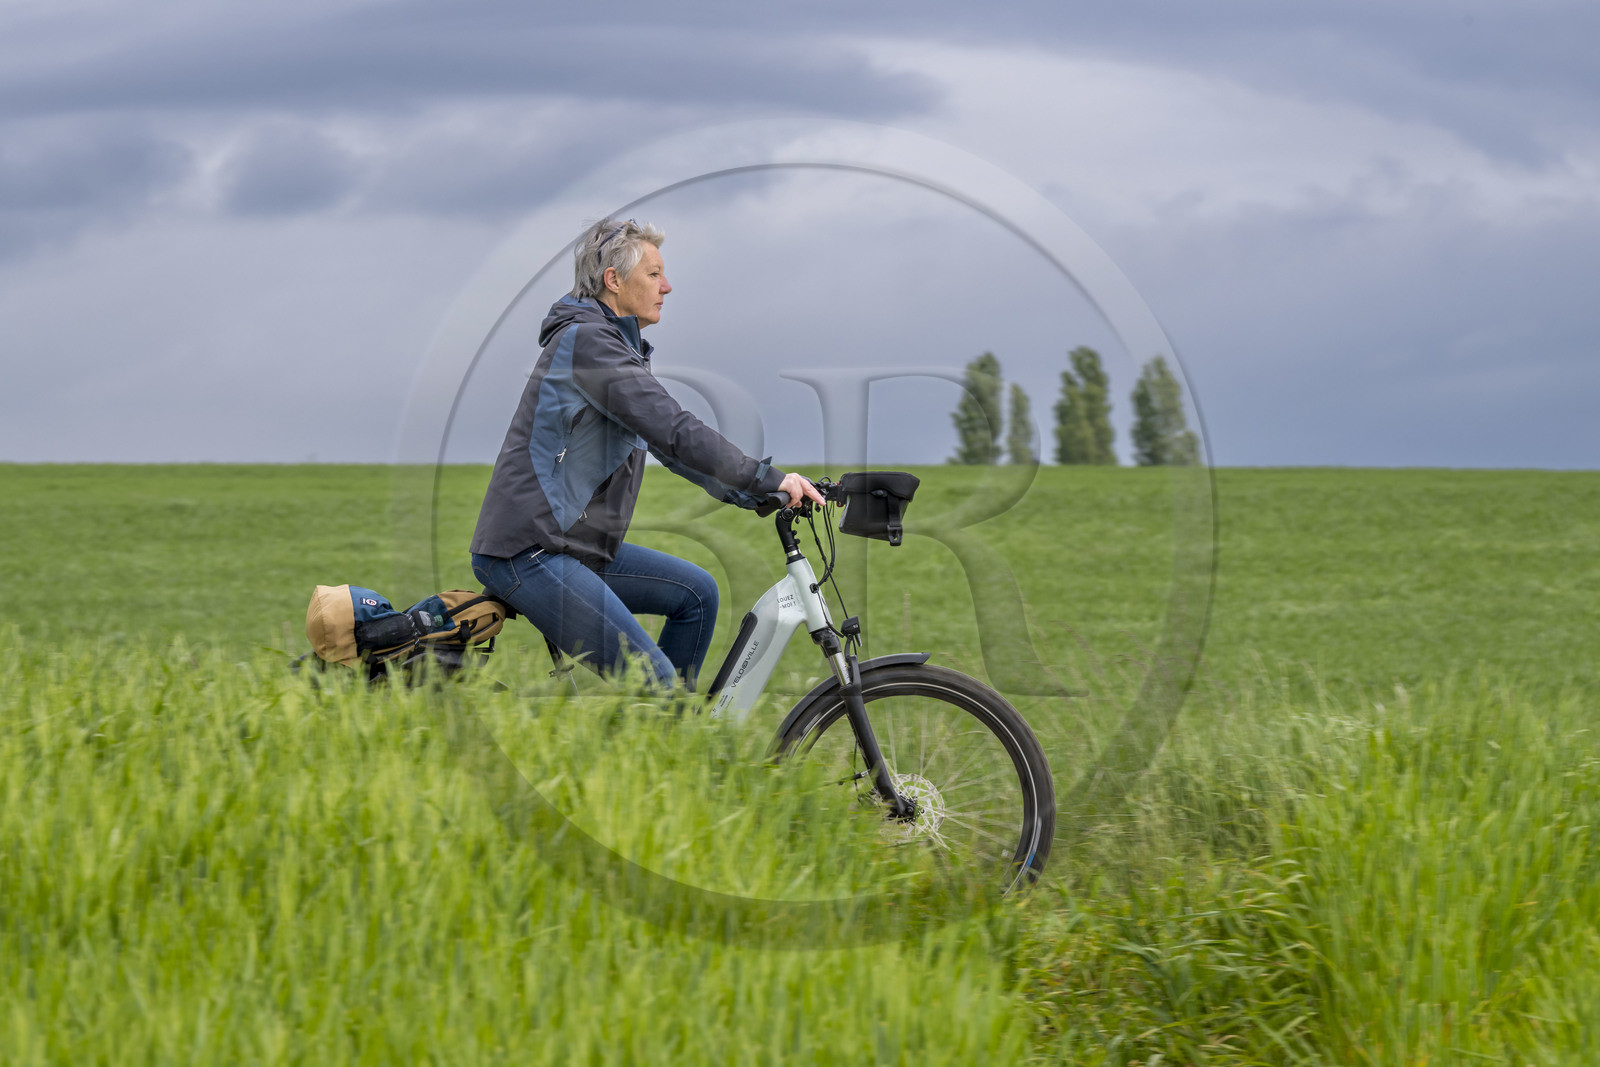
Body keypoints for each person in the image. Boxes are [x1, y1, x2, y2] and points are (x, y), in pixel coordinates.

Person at [470, 217, 824, 690]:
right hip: (528, 549)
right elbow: (674, 428)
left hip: (570, 545)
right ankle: (662, 732)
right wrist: (766, 478)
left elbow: (669, 448)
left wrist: (761, 494)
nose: (668, 286)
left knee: (696, 594)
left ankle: (665, 738)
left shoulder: (613, 346)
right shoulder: (588, 343)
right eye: (654, 274)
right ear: (614, 281)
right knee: (655, 684)